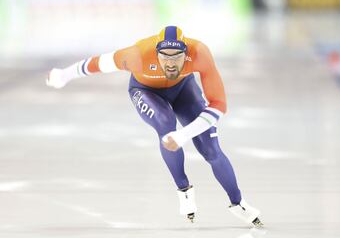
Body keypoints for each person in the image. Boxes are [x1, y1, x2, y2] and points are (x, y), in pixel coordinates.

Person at [46, 26, 263, 227]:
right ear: (155, 53)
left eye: (177, 57)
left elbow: (219, 105)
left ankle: (238, 202)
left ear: (186, 54)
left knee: (211, 150)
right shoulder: (137, 55)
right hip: (145, 91)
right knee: (165, 124)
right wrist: (63, 75)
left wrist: (185, 134)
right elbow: (96, 64)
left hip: (183, 89)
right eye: (164, 57)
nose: (170, 64)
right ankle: (184, 189)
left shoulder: (199, 53)